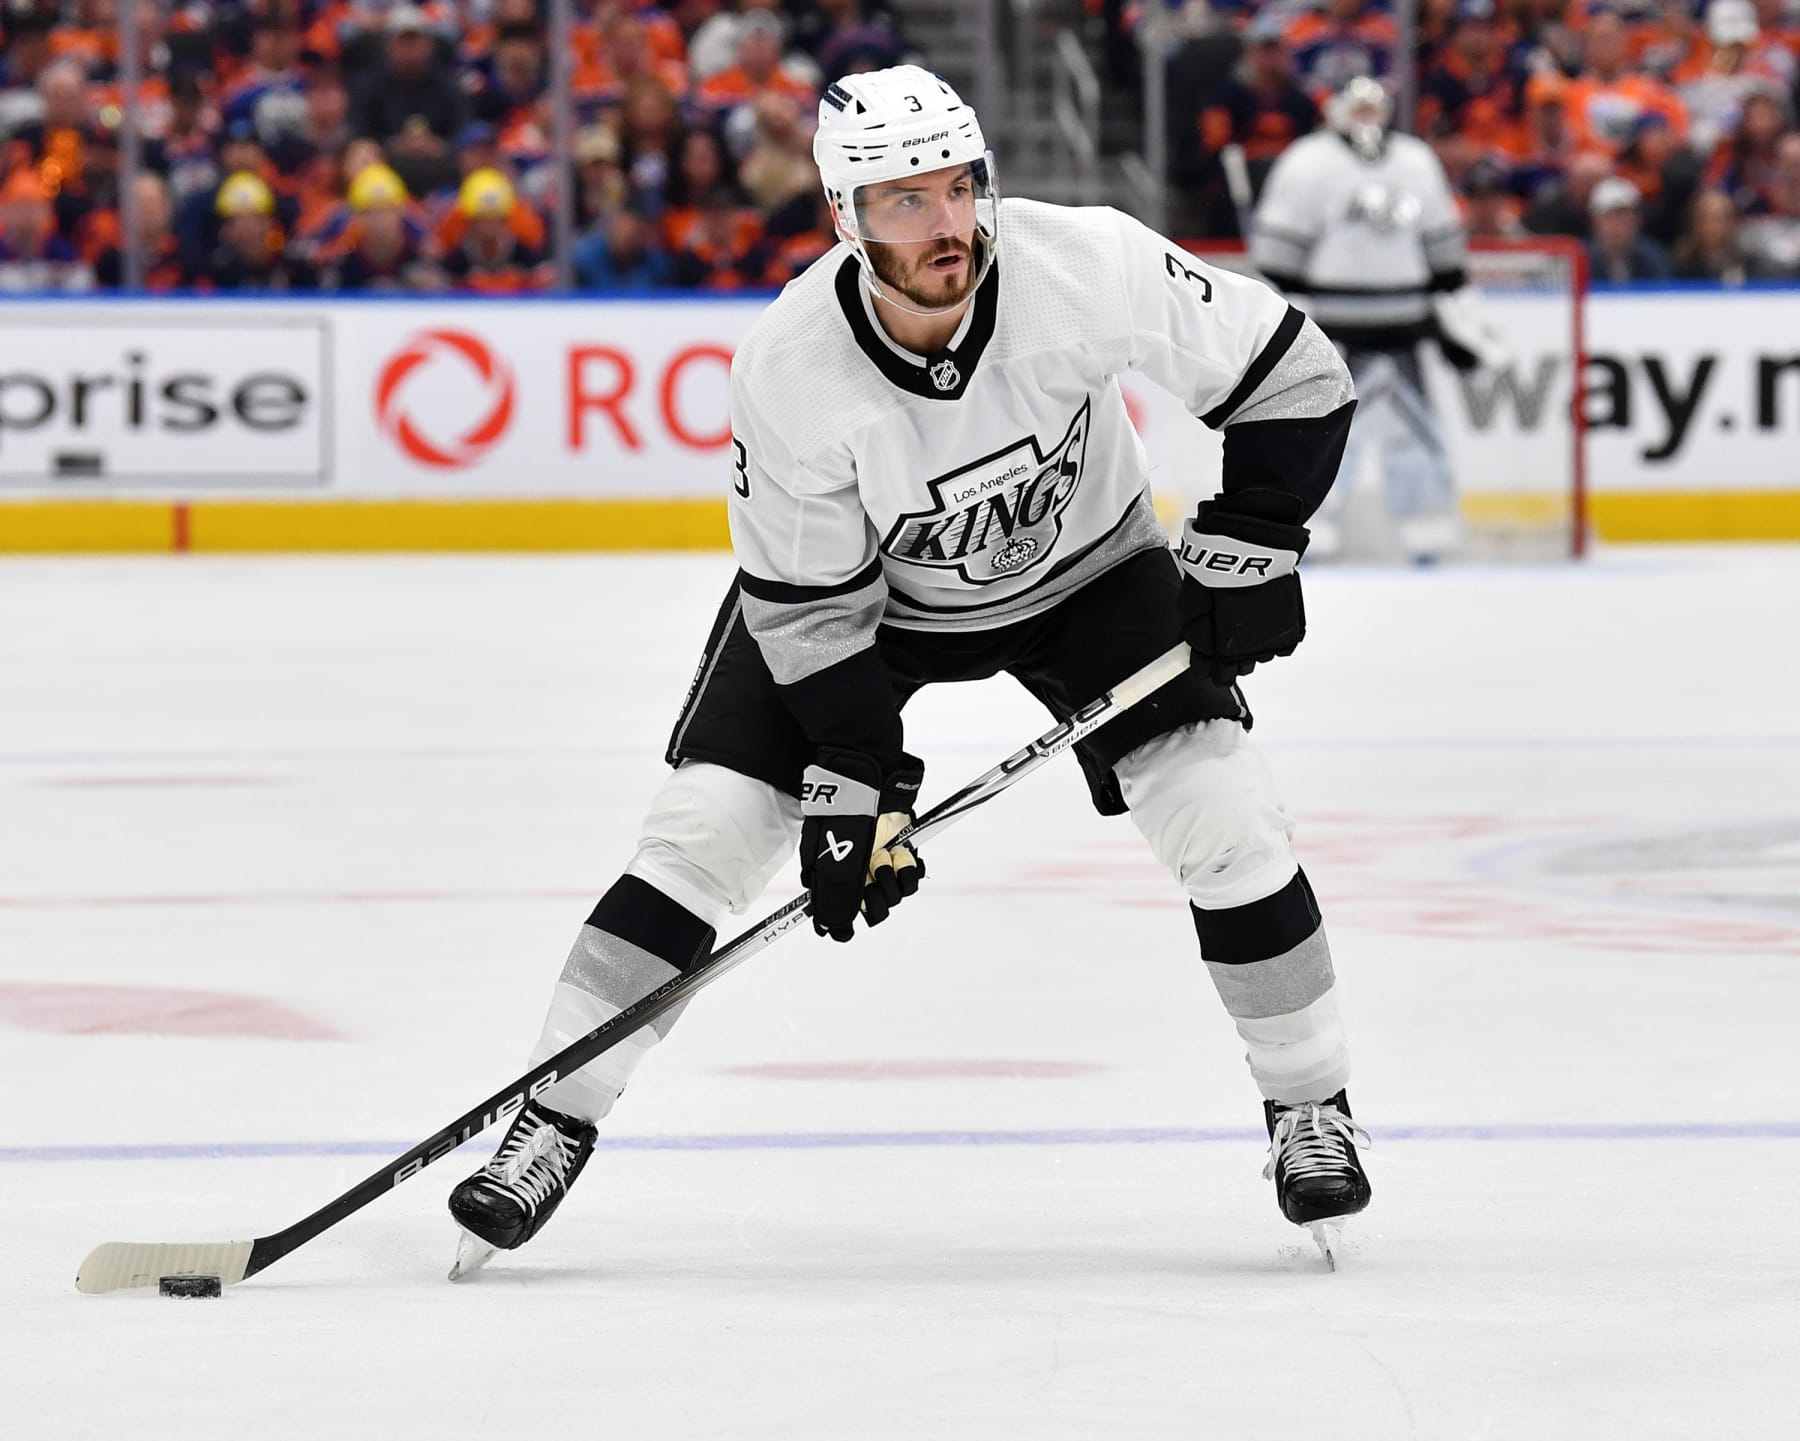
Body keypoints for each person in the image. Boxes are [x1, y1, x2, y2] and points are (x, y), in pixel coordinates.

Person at [446, 64, 1371, 1277]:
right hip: (867, 613)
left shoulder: (1081, 265)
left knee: (1226, 808)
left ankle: (1310, 1105)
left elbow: (1298, 376)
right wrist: (853, 774)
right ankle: (552, 1115)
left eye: (959, 188)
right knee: (701, 832)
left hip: (1091, 573)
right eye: (902, 202)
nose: (946, 226)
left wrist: (1253, 536)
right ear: (846, 218)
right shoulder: (790, 367)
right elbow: (811, 611)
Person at [1252, 75, 1503, 562]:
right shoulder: (1307, 162)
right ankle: (1310, 537)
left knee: (1415, 435)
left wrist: (1460, 319)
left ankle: (1427, 536)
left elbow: (1444, 255)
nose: (1366, 117)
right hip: (1330, 333)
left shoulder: (1415, 160)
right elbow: (1279, 259)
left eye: (1374, 107)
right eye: (1357, 107)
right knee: (1323, 435)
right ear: (1337, 110)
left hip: (1404, 327)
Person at [1586, 175, 1674, 280]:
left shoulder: (1655, 257)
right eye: (1610, 218)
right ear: (1595, 222)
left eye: (1624, 217)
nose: (1618, 226)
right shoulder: (1583, 259)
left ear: (1637, 221)